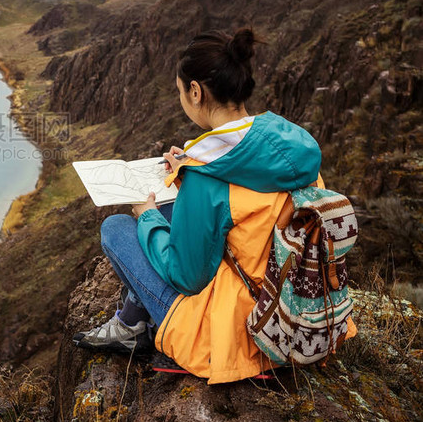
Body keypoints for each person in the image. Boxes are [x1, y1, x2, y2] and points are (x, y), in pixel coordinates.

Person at [72, 28, 355, 383]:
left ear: (195, 92)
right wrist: (183, 176)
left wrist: (146, 218)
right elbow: (247, 209)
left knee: (117, 229)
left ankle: (134, 327)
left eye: (180, 91)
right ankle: (131, 319)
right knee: (172, 212)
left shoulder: (207, 177)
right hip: (295, 304)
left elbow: (186, 278)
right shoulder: (289, 145)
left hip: (245, 331)